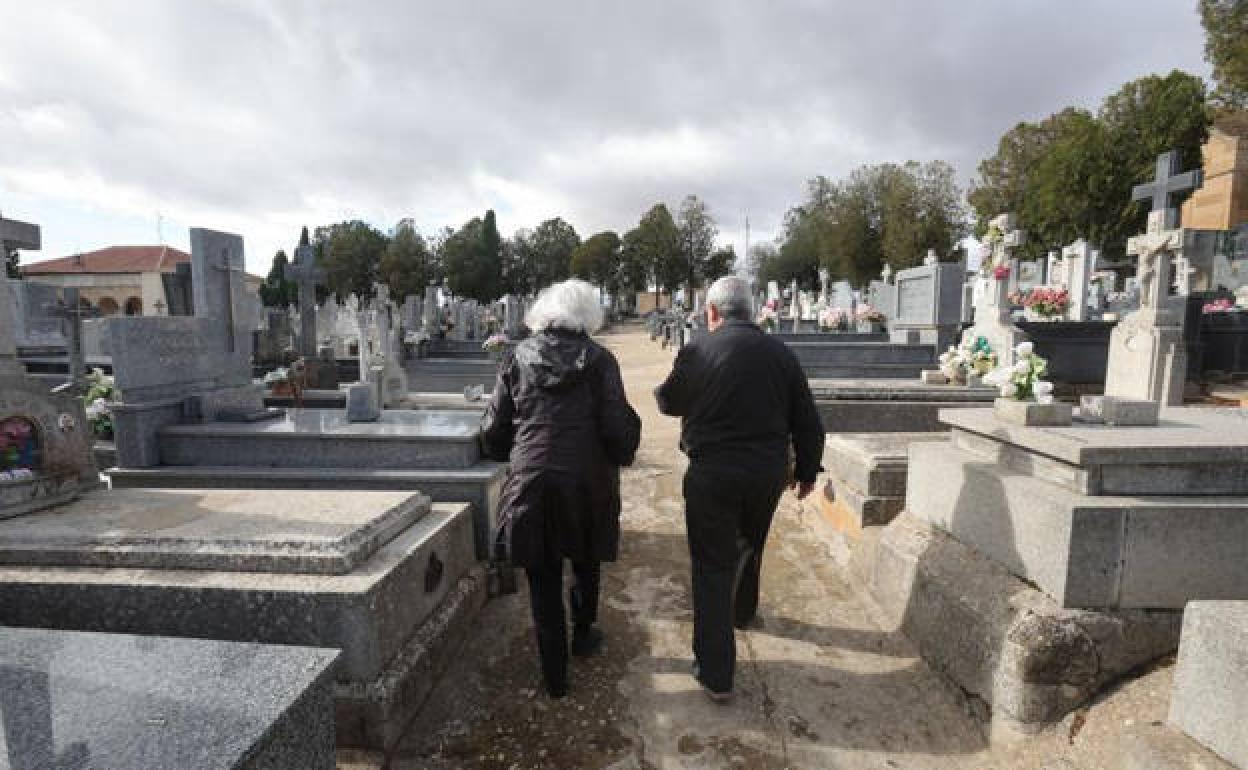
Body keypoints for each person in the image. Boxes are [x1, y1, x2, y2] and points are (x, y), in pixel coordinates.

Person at [655, 274, 825, 701]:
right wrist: (806, 471)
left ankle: (716, 674)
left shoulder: (698, 350)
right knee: (751, 542)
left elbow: (669, 401)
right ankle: (742, 614)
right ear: (751, 311)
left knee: (711, 566)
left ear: (712, 312)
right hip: (766, 472)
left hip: (712, 472)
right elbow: (808, 420)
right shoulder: (781, 353)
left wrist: (665, 390)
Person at [480, 279, 642, 698]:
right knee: (585, 557)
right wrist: (625, 446)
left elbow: (496, 430)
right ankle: (584, 634)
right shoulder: (602, 361)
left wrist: (506, 449)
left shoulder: (517, 357)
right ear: (588, 315)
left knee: (543, 573)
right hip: (587, 480)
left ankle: (555, 676)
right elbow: (615, 427)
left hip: (532, 481)